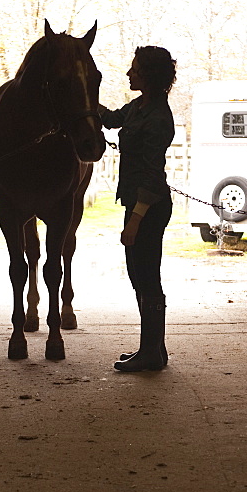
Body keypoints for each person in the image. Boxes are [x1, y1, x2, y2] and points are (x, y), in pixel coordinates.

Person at [99, 46, 176, 372]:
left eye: (135, 69)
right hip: (138, 205)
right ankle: (153, 349)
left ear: (149, 75)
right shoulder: (140, 106)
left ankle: (151, 353)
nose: (129, 74)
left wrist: (134, 222)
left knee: (147, 279)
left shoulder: (158, 117)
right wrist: (82, 99)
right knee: (139, 277)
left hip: (149, 206)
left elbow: (150, 175)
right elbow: (112, 119)